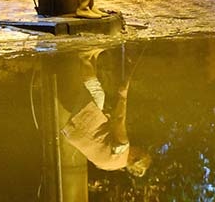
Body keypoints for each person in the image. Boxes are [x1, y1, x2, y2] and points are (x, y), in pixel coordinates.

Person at [60, 48, 151, 177]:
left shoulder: (122, 148)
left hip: (82, 128)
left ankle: (84, 57)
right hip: (74, 134)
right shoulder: (113, 166)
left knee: (97, 93)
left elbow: (119, 119)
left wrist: (123, 96)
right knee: (95, 96)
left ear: (135, 158)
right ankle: (93, 56)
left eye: (140, 151)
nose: (137, 147)